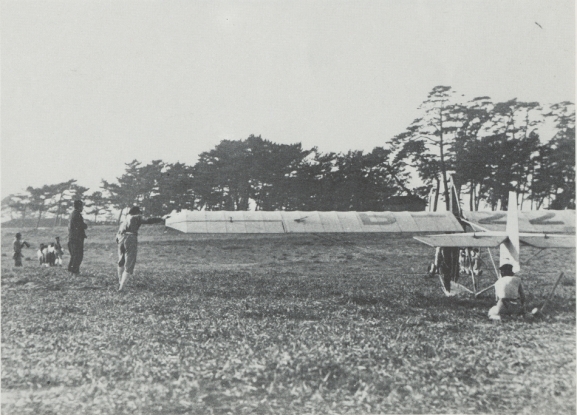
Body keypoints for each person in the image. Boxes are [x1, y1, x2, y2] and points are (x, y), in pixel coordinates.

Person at [116, 206, 163, 291]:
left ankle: (120, 282)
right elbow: (148, 220)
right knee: (130, 261)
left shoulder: (124, 219)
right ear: (137, 212)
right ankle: (121, 287)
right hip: (131, 237)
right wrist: (161, 219)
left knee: (121, 261)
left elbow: (118, 233)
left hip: (120, 237)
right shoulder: (136, 217)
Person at [68, 200, 87, 276]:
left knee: (74, 255)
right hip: (76, 239)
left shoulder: (72, 214)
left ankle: (72, 271)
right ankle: (74, 272)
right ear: (79, 206)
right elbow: (81, 226)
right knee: (78, 255)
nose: (82, 208)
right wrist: (85, 225)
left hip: (72, 238)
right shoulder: (77, 215)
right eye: (82, 206)